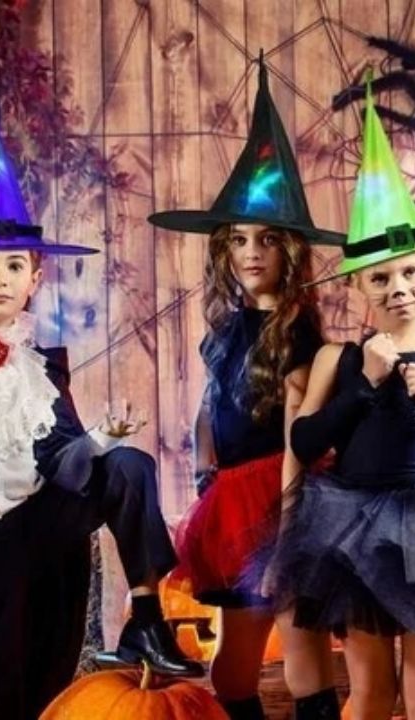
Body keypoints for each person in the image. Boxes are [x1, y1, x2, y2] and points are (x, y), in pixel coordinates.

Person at [0, 89, 201, 720]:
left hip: (40, 525)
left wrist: (100, 437)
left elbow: (66, 468)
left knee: (128, 465)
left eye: (13, 266)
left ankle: (147, 618)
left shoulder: (44, 369)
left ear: (34, 278)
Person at [264, 76, 415, 720]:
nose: (398, 288)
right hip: (356, 532)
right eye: (380, 278)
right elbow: (304, 443)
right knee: (371, 691)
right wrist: (365, 386)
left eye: (409, 272)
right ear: (359, 286)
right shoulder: (337, 359)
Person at [148, 53, 345, 720]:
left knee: (299, 635)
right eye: (237, 240)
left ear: (290, 249)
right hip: (232, 500)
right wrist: (205, 465)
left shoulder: (300, 333)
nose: (251, 252)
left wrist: (292, 519)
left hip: (286, 493)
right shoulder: (228, 327)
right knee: (237, 649)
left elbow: (303, 429)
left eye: (265, 239)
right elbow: (212, 406)